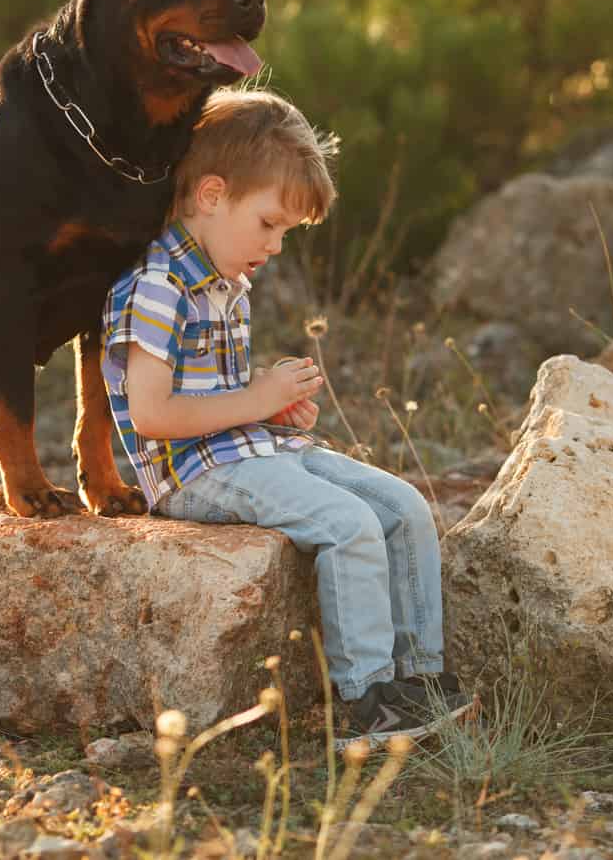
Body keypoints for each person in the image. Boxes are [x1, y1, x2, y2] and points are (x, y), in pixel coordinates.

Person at [101, 89, 472, 749]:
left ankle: (419, 680)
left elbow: (219, 391)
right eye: (269, 224)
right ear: (212, 196)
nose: (274, 246)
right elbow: (152, 415)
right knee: (348, 524)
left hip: (250, 448)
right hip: (195, 470)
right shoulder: (155, 288)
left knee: (404, 505)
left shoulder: (226, 281)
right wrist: (257, 401)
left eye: (285, 233)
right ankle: (367, 703)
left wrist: (276, 406)